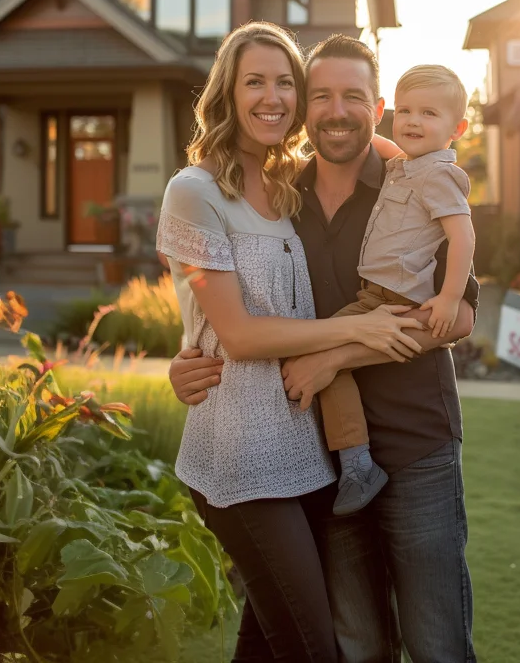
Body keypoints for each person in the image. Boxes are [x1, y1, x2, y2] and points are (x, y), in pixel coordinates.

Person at [171, 34, 480, 663]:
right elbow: (234, 303)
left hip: (416, 441)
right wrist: (191, 354)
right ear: (307, 107)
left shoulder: (416, 181)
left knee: (435, 643)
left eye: (354, 97)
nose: (337, 111)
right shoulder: (282, 193)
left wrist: (337, 355)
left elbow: (458, 316)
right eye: (322, 95)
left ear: (378, 105)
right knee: (357, 643)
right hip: (323, 456)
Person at [318, 63, 476, 516]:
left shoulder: (438, 175)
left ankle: (356, 463)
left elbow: (462, 236)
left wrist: (447, 297)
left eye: (428, 113)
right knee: (321, 353)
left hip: (398, 296)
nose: (412, 121)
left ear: (458, 128)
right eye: (405, 110)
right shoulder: (403, 167)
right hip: (376, 294)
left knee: (319, 351)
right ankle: (356, 462)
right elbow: (381, 145)